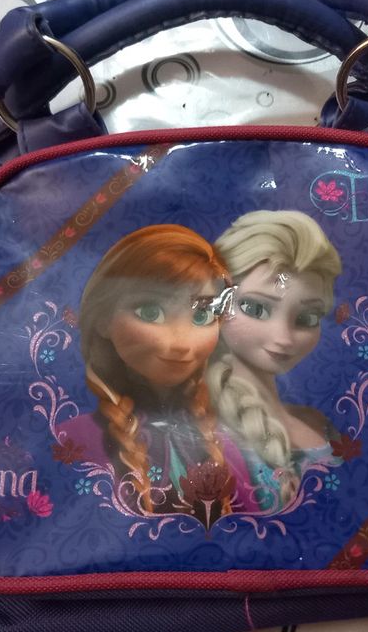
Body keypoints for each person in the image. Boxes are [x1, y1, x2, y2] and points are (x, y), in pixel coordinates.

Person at [62, 224, 253, 520]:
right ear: (102, 318)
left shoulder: (224, 442)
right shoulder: (74, 441)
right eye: (151, 312)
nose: (181, 343)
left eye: (202, 315)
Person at [206, 210, 343, 510]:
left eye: (306, 318)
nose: (284, 338)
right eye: (255, 309)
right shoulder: (200, 432)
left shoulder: (317, 423)